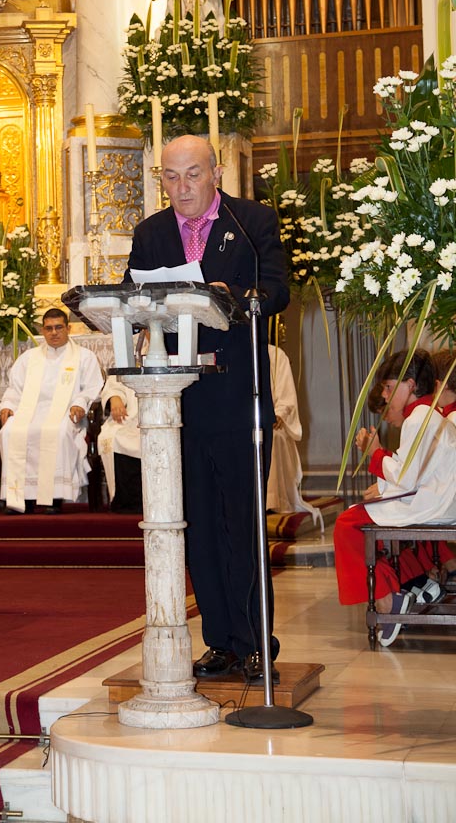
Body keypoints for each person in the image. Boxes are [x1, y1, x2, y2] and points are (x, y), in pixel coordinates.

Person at [124, 134, 289, 682]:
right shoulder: (150, 233)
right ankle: (219, 639)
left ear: (216, 173)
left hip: (239, 395)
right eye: (170, 177)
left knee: (242, 523)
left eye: (192, 174)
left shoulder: (251, 222)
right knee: (192, 525)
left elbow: (277, 291)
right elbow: (131, 294)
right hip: (177, 404)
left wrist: (228, 296)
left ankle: (255, 641)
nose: (182, 187)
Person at [333, 349, 456, 646]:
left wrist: (375, 452)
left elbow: (406, 477)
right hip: (438, 498)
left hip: (431, 503)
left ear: (410, 385)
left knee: (346, 524)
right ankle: (408, 586)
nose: (386, 396)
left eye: (389, 387)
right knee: (360, 513)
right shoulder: (429, 414)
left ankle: (388, 602)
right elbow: (411, 469)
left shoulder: (418, 419)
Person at [0, 308, 103, 514]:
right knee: (9, 432)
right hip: (30, 412)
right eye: (49, 328)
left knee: (58, 432)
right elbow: (14, 389)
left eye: (58, 327)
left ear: (68, 328)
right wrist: (7, 405)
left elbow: (92, 388)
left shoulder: (84, 357)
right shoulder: (29, 358)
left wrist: (80, 403)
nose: (54, 332)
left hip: (67, 413)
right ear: (43, 331)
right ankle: (19, 498)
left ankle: (53, 497)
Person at [266, 343, 322, 525]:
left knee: (272, 438)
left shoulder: (275, 355)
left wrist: (277, 415)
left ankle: (270, 501)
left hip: (272, 425)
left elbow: (286, 398)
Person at [98, 374, 142, 513]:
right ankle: (125, 501)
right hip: (131, 417)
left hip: (162, 416)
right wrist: (115, 398)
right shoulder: (133, 355)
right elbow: (115, 384)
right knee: (113, 435)